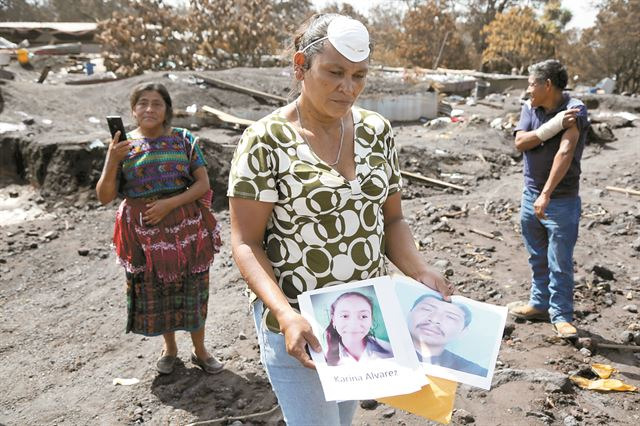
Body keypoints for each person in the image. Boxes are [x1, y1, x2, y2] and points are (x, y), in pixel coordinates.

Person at [228, 14, 452, 425]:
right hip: (300, 328)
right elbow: (246, 242)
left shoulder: (376, 131)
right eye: (334, 72)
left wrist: (420, 270)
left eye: (358, 76)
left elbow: (393, 220)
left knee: (341, 420)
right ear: (301, 66)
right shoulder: (265, 141)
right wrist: (284, 314)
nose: (347, 88)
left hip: (364, 323)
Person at [96, 82, 224, 375]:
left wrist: (169, 205)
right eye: (143, 103)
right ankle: (170, 348)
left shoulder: (182, 139)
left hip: (185, 230)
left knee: (193, 289)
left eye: (157, 103)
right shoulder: (123, 147)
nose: (149, 109)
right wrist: (111, 159)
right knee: (159, 289)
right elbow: (104, 196)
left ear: (167, 110)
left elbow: (203, 184)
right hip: (142, 235)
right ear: (133, 109)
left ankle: (201, 351)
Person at [509, 60, 589, 339]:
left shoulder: (575, 109)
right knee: (536, 255)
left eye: (532, 84)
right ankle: (539, 303)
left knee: (560, 259)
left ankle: (562, 315)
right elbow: (520, 143)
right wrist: (552, 126)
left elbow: (565, 152)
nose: (528, 89)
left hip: (561, 199)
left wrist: (546, 194)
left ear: (547, 85)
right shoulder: (530, 107)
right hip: (530, 193)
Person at [408, 294, 487, 377]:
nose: (434, 319)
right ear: (409, 313)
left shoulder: (475, 373)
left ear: (463, 332)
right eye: (427, 309)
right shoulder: (393, 355)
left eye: (451, 317)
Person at [324, 291, 392, 366]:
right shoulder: (322, 357)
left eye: (363, 316)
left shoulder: (390, 350)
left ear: (371, 320)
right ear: (333, 320)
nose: (354, 324)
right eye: (345, 316)